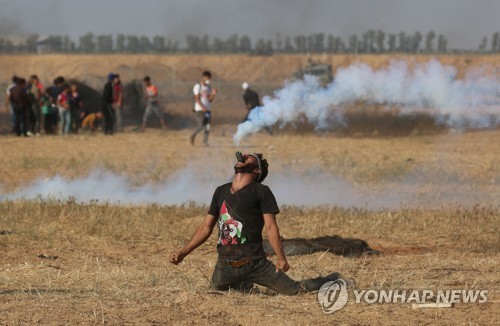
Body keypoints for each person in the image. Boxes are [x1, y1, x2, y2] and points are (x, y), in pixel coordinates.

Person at [170, 153, 341, 295]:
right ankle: (243, 283)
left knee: (294, 291)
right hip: (224, 265)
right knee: (216, 293)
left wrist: (281, 258)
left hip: (255, 263)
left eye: (248, 156)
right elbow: (205, 227)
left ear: (256, 169)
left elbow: (271, 227)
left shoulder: (261, 191)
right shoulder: (220, 191)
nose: (243, 155)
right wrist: (183, 253)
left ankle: (330, 279)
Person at [190, 71, 217, 146]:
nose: (208, 80)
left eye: (209, 78)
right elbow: (197, 99)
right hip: (199, 110)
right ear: (203, 77)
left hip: (207, 110)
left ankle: (205, 142)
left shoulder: (209, 87)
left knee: (208, 126)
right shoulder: (198, 86)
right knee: (201, 125)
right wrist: (203, 107)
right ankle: (193, 136)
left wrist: (213, 94)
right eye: (207, 78)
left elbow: (210, 100)